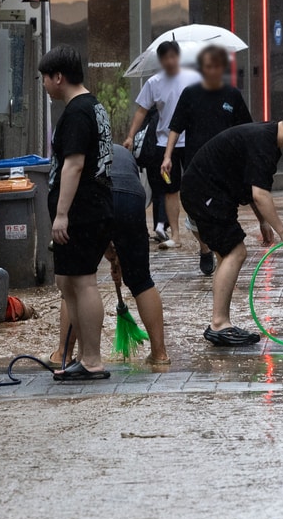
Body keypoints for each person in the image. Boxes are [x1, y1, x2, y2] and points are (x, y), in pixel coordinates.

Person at [181, 107, 283, 346]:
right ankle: (219, 324)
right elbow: (260, 194)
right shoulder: (264, 143)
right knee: (236, 252)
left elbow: (252, 185)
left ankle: (220, 323)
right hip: (205, 192)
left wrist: (263, 221)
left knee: (228, 255)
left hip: (207, 192)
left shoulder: (267, 140)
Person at [50, 144, 169, 369]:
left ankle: (63, 355)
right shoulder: (123, 154)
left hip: (95, 196)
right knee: (141, 280)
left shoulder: (77, 150)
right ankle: (160, 354)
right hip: (131, 200)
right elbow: (115, 224)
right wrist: (116, 258)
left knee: (76, 281)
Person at [40, 46, 113, 381]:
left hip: (82, 211)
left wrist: (61, 214)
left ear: (59, 77)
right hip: (92, 207)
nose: (44, 84)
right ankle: (84, 357)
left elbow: (74, 164)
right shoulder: (92, 106)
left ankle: (93, 359)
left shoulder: (77, 112)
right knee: (68, 281)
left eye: (45, 77)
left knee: (83, 282)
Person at [164, 44, 253, 276]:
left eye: (216, 66)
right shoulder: (190, 94)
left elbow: (245, 127)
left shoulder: (232, 95)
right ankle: (205, 248)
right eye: (207, 67)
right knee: (194, 214)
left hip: (225, 166)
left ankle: (219, 252)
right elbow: (175, 127)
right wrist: (167, 156)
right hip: (196, 165)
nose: (212, 70)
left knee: (221, 209)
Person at [124, 41, 201, 249]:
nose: (169, 61)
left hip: (192, 141)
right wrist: (131, 136)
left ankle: (203, 232)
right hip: (164, 143)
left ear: (179, 56)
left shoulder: (194, 78)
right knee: (170, 189)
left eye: (173, 56)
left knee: (197, 187)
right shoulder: (154, 82)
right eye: (165, 57)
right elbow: (142, 110)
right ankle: (175, 234)